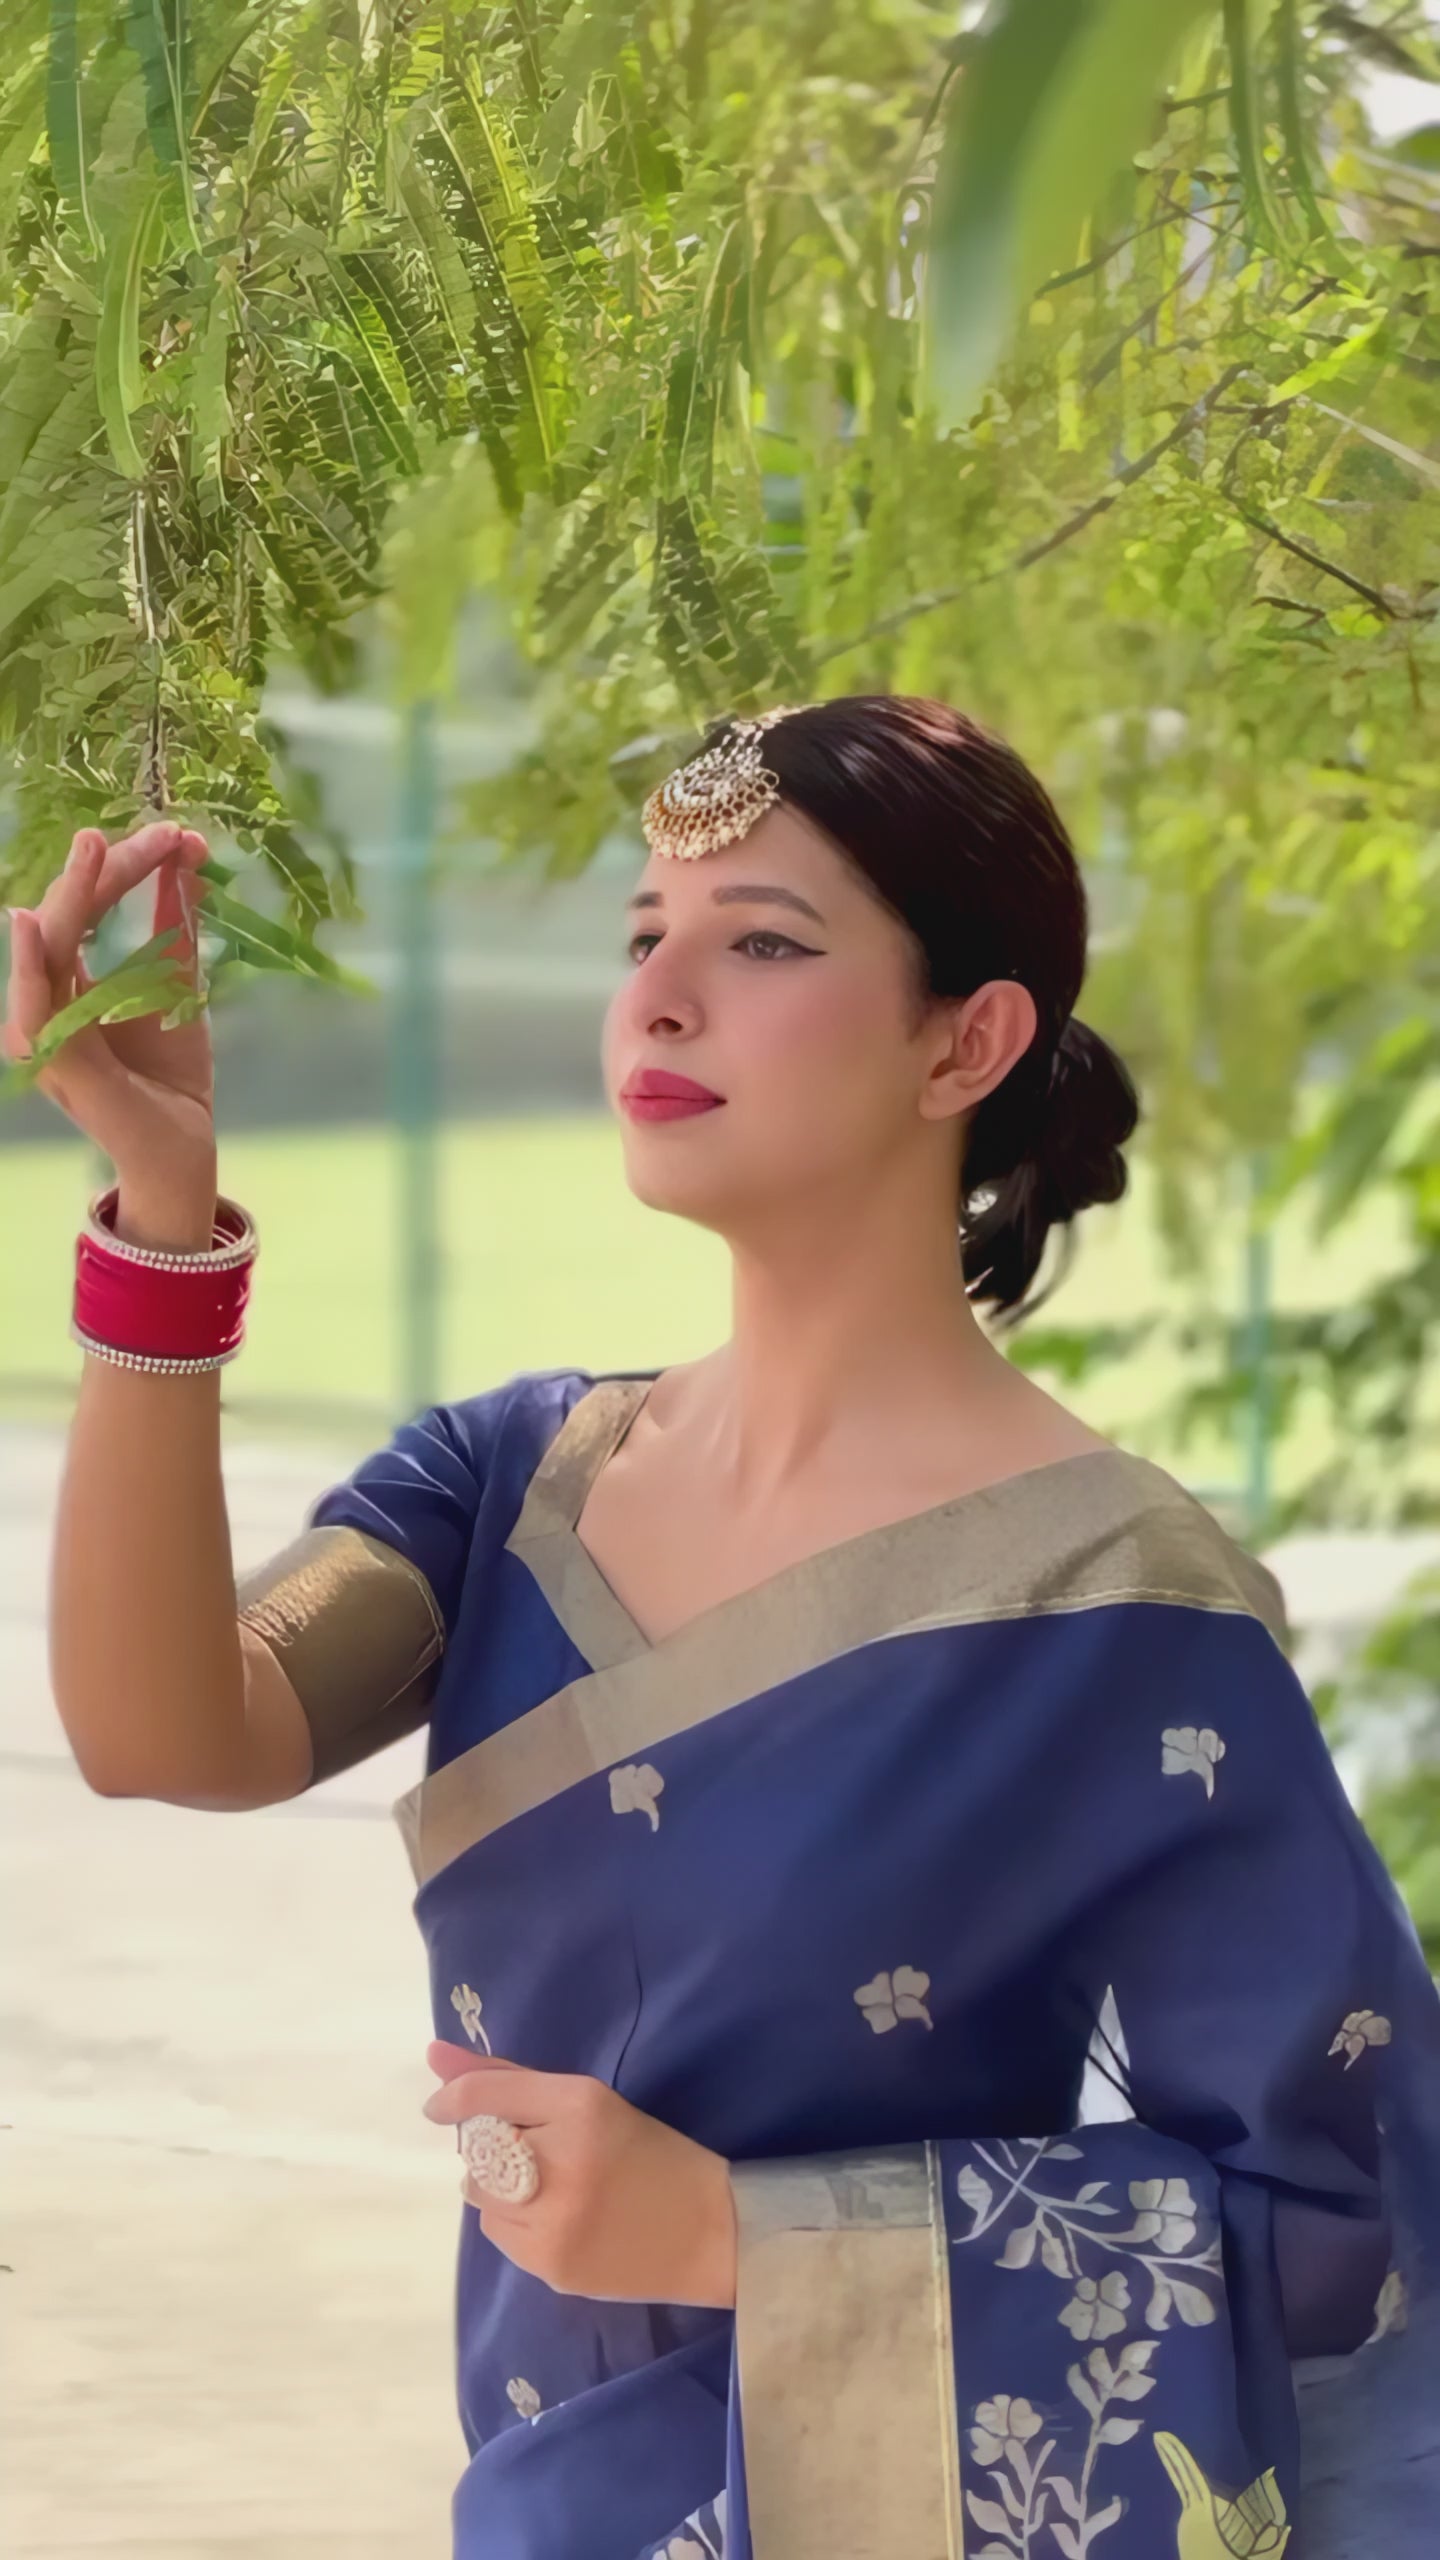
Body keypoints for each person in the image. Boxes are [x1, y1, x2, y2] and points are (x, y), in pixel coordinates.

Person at [7, 695, 1438, 2560]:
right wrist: (161, 1202)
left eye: (761, 943)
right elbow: (168, 1733)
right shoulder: (510, 1483)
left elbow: (1343, 2225)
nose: (659, 1002)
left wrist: (736, 2237)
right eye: (642, 937)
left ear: (968, 1041)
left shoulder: (1109, 1598)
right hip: (537, 2505)